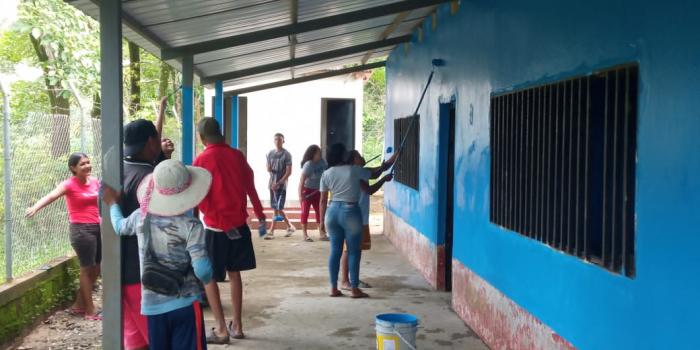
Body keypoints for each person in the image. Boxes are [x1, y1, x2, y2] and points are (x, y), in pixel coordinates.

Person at [102, 159, 213, 350]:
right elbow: (203, 271)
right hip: (185, 304)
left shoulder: (140, 217)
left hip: (153, 309)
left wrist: (112, 203)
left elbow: (120, 227)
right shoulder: (191, 226)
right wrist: (209, 274)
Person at [193, 118, 267, 344]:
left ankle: (222, 329)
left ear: (202, 138)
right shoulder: (237, 156)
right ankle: (238, 325)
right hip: (238, 226)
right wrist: (261, 214)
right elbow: (250, 187)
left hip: (215, 227)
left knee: (210, 278)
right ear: (221, 134)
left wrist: (195, 219)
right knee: (235, 274)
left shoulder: (201, 159)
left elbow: (196, 195)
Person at [118, 97, 171, 350]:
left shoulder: (116, 171)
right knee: (159, 339)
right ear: (151, 142)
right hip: (144, 275)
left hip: (119, 271)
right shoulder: (149, 179)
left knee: (135, 341)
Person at [25, 153, 102, 320]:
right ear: (73, 168)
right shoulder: (69, 184)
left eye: (88, 162)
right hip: (81, 230)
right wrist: (35, 207)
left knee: (97, 267)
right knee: (86, 268)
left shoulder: (95, 181)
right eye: (82, 164)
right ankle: (89, 311)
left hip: (97, 227)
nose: (87, 166)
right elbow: (51, 196)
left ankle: (79, 305)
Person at [319, 143, 393, 299]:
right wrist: (387, 164)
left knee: (335, 251)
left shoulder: (326, 173)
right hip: (350, 211)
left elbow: (322, 201)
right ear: (343, 155)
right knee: (354, 252)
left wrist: (321, 224)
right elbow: (375, 173)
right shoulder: (353, 170)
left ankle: (333, 288)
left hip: (332, 212)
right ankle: (354, 289)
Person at [340, 150, 394, 290]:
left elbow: (378, 171)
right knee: (350, 250)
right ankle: (346, 281)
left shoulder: (357, 170)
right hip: (354, 216)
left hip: (354, 216)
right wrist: (383, 179)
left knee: (353, 250)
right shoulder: (357, 171)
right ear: (353, 160)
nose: (362, 157)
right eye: (358, 156)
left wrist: (396, 154)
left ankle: (352, 280)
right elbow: (369, 190)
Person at [265, 133, 293, 239]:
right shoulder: (270, 153)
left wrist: (279, 182)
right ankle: (290, 226)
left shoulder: (287, 154)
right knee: (277, 207)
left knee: (277, 208)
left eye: (280, 139)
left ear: (283, 141)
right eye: (276, 139)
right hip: (272, 184)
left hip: (281, 185)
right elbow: (269, 170)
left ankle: (271, 231)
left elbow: (289, 172)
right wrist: (268, 168)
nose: (278, 141)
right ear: (274, 141)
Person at [297, 145, 328, 242]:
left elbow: (327, 175)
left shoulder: (323, 162)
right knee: (305, 212)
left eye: (320, 153)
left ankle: (322, 233)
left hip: (319, 190)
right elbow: (301, 181)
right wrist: (300, 195)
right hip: (307, 191)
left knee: (320, 211)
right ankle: (305, 235)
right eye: (318, 153)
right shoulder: (308, 165)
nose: (320, 155)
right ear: (313, 154)